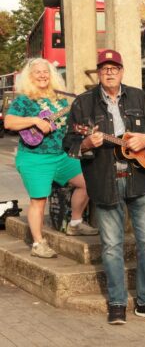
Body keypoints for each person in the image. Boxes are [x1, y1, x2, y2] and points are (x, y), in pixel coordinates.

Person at [63, 50, 145, 324]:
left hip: (139, 180)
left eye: (114, 68)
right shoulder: (83, 104)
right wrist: (86, 143)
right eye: (104, 68)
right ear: (98, 73)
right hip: (105, 182)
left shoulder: (139, 97)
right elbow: (69, 142)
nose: (110, 72)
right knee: (112, 246)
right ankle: (117, 302)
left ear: (122, 71)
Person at [4, 58, 96, 259]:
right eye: (37, 72)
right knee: (39, 201)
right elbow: (9, 122)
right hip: (34, 158)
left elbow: (72, 126)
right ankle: (38, 243)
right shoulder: (23, 100)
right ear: (29, 77)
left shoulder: (62, 99)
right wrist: (36, 120)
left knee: (88, 183)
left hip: (62, 156)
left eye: (46, 72)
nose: (42, 75)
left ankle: (75, 223)